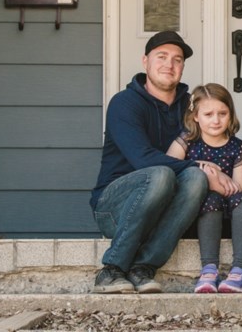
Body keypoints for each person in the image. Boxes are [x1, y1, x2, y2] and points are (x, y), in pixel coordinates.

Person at [90, 30, 213, 294]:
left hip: (166, 212)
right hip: (115, 210)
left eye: (177, 59)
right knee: (161, 173)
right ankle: (111, 271)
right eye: (162, 56)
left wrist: (209, 172)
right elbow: (141, 159)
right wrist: (198, 166)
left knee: (196, 178)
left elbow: (215, 148)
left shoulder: (190, 109)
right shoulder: (124, 103)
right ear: (145, 61)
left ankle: (142, 268)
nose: (169, 64)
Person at [166, 83, 242, 293]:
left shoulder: (238, 147)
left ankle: (241, 268)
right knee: (210, 198)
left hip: (231, 215)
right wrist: (204, 170)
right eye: (208, 114)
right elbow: (168, 167)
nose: (216, 120)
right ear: (195, 116)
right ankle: (209, 269)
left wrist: (218, 183)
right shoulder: (187, 141)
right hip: (198, 215)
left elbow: (239, 187)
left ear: (231, 114)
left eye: (222, 113)